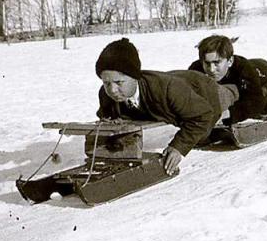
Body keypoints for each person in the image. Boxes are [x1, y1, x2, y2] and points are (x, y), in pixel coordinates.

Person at [95, 38, 239, 175]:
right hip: (181, 86)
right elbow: (107, 116)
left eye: (119, 82)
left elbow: (203, 115)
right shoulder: (106, 94)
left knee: (232, 94)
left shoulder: (167, 89)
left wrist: (178, 147)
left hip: (205, 90)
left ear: (135, 77)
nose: (112, 90)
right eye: (106, 83)